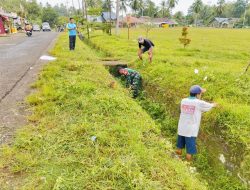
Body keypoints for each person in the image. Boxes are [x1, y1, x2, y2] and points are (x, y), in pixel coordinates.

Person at [176, 85, 217, 161]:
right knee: (189, 151)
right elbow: (210, 106)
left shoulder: (183, 101)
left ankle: (178, 160)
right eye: (201, 93)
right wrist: (214, 104)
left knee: (179, 147)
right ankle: (187, 165)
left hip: (181, 128)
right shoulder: (199, 103)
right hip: (190, 131)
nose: (201, 95)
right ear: (197, 94)